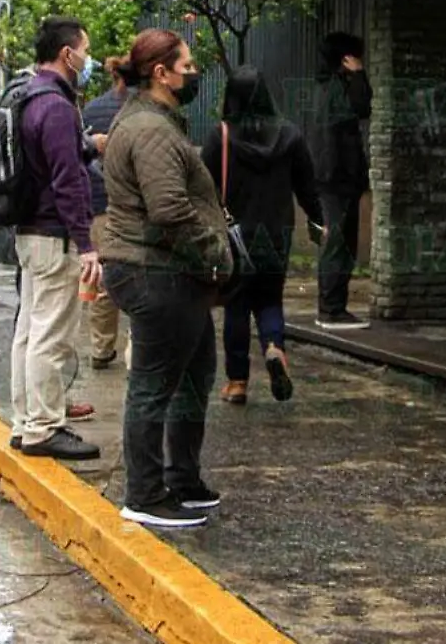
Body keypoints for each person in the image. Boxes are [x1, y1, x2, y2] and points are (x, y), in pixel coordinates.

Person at [100, 29, 233, 528]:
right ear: (162, 73)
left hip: (169, 272)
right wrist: (214, 251)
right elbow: (169, 210)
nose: (193, 73)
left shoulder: (152, 122)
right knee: (154, 386)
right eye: (188, 65)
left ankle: (183, 479)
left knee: (194, 376)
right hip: (156, 271)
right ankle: (145, 493)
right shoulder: (151, 129)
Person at [9, 18, 105, 461]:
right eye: (85, 50)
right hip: (54, 235)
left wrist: (85, 146)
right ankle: (44, 428)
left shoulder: (29, 98)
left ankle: (25, 420)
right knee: (51, 335)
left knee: (29, 331)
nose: (89, 59)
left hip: (30, 230)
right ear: (67, 54)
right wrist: (85, 243)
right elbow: (67, 180)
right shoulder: (58, 107)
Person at [202, 65, 324, 405]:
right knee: (270, 298)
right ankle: (274, 347)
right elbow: (307, 186)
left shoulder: (220, 136)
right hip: (276, 233)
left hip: (236, 234)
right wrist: (317, 219)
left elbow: (203, 186)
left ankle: (238, 382)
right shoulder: (290, 135)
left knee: (237, 305)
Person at [309, 32, 372, 330]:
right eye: (357, 57)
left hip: (333, 179)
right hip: (337, 180)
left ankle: (333, 306)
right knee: (339, 242)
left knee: (340, 241)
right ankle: (332, 309)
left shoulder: (327, 86)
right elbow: (363, 106)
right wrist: (359, 75)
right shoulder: (336, 89)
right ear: (346, 58)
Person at [81, 55, 130, 369]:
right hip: (132, 207)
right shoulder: (148, 110)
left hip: (97, 204)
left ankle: (101, 348)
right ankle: (135, 356)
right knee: (139, 279)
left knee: (101, 281)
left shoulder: (92, 109)